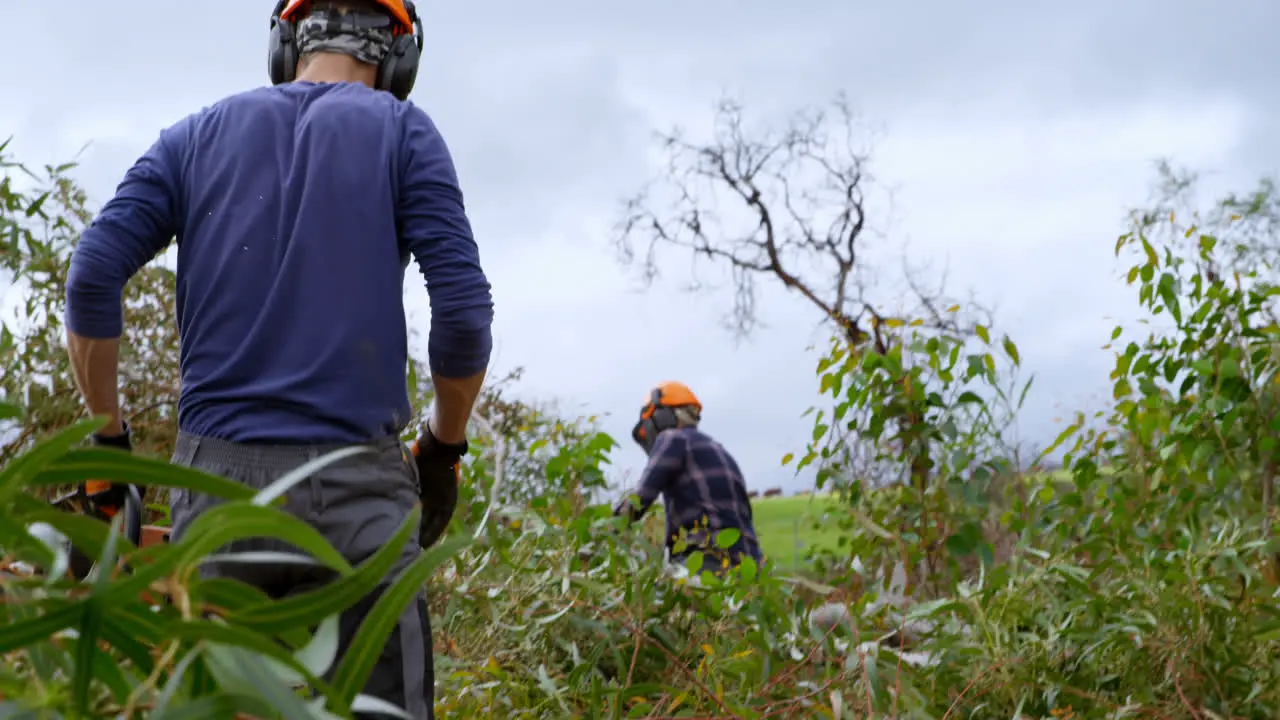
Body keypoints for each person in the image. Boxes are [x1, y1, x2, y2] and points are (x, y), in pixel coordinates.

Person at [61, 0, 492, 716]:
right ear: (399, 60)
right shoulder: (403, 132)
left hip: (219, 499)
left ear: (285, 43)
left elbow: (92, 277)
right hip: (361, 497)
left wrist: (109, 448)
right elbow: (465, 318)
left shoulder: (194, 137)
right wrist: (443, 449)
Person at [613, 382, 762, 576]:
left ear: (661, 417)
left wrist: (603, 533)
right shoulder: (720, 451)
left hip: (707, 561)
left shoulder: (672, 439)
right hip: (750, 565)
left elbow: (639, 500)